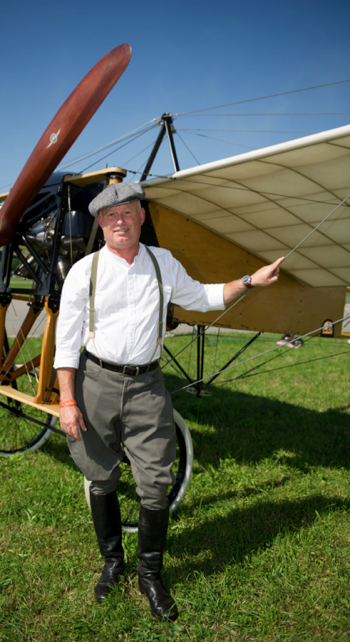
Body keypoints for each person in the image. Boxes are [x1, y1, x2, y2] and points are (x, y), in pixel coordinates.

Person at [54, 182, 283, 622]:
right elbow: (66, 342)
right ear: (101, 223)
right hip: (95, 381)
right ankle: (112, 563)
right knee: (100, 476)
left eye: (128, 212)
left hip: (147, 385)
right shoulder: (85, 271)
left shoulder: (163, 262)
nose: (120, 221)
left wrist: (251, 280)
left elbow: (204, 297)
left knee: (156, 483)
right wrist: (67, 400)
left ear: (142, 216)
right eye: (110, 216)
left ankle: (150, 575)